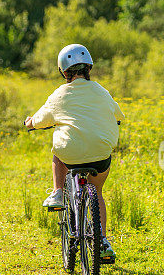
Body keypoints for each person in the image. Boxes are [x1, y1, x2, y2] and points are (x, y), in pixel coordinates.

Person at [24, 43, 125, 260]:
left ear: (63, 71)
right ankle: (103, 241)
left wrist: (31, 123)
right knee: (97, 192)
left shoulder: (60, 94)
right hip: (100, 155)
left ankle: (58, 192)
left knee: (58, 152)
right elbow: (119, 116)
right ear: (89, 67)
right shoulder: (101, 91)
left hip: (70, 156)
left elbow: (41, 120)